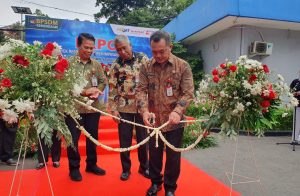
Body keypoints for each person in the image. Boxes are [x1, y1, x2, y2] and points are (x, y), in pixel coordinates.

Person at [136, 30, 194, 196]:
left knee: (173, 157)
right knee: (154, 155)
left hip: (174, 121)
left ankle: (170, 188)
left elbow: (188, 92)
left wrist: (178, 111)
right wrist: (144, 111)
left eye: (162, 51)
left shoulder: (182, 66)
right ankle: (155, 183)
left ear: (170, 47)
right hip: (154, 120)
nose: (158, 55)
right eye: (154, 52)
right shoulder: (146, 66)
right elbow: (141, 90)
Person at [66, 33, 107, 181]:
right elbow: (64, 86)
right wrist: (84, 92)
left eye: (91, 48)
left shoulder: (96, 64)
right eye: (86, 47)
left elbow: (103, 81)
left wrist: (98, 90)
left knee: (92, 138)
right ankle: (74, 168)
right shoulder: (68, 63)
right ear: (78, 45)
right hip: (73, 109)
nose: (89, 51)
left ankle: (91, 164)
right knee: (73, 139)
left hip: (92, 109)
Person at [108, 35, 149, 181]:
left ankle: (144, 167)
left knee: (143, 140)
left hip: (141, 107)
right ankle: (126, 169)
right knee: (124, 141)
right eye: (119, 50)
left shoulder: (143, 58)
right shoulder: (116, 65)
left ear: (130, 45)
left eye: (124, 48)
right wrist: (113, 110)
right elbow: (112, 89)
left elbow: (150, 80)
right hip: (123, 107)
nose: (122, 51)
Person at [290, 71, 300, 141]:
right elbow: (290, 90)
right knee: (297, 123)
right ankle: (295, 138)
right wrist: (293, 93)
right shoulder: (295, 81)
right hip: (298, 105)